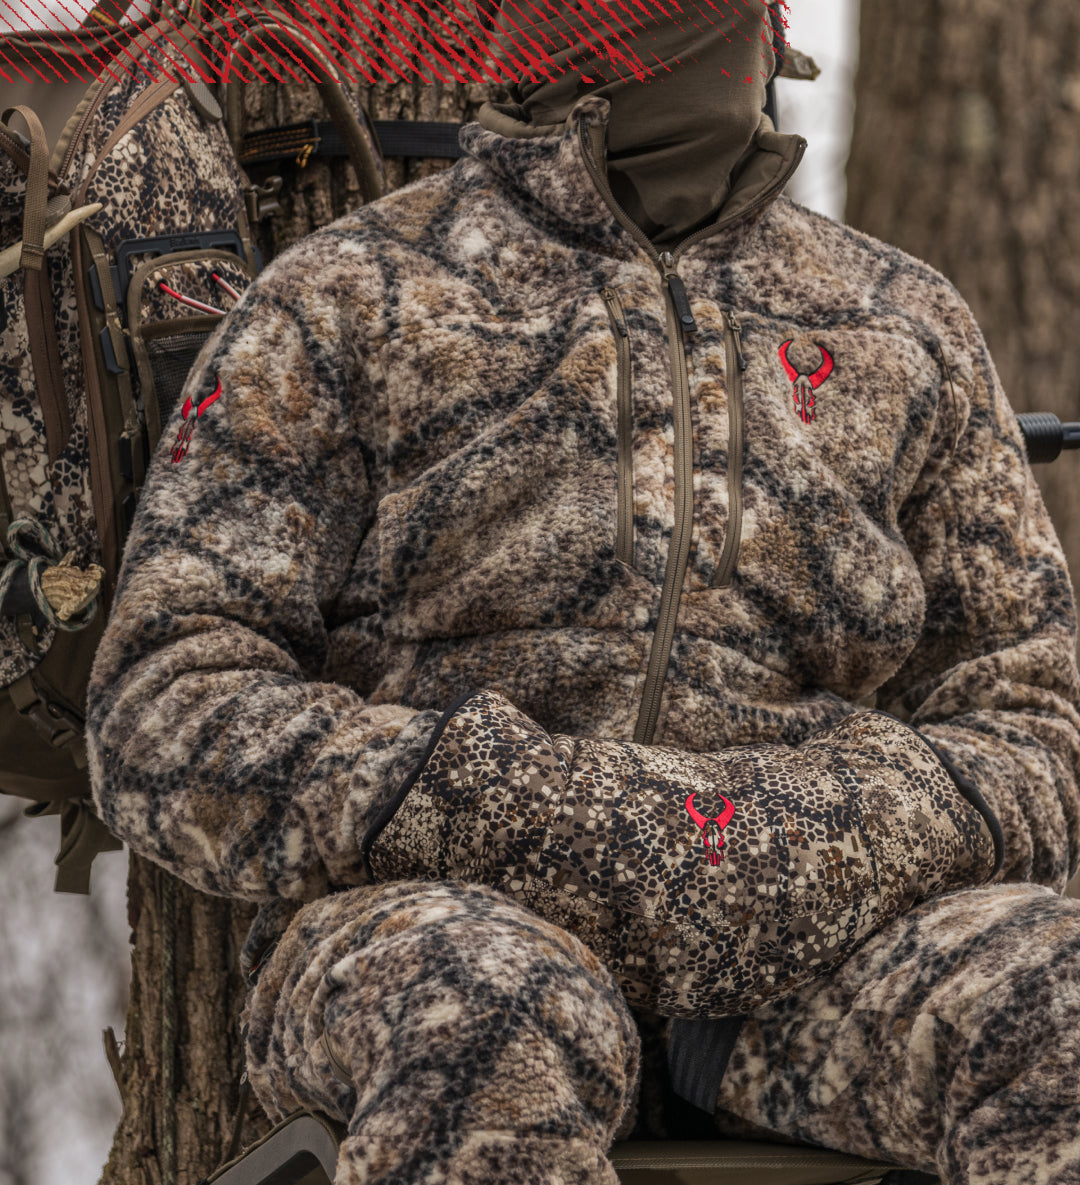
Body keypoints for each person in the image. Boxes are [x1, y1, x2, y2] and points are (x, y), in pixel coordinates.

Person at [86, 2, 1080, 1182]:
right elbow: (162, 705)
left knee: (1062, 1006)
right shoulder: (351, 295)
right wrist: (508, 803)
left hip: (814, 965)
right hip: (431, 928)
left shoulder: (897, 322)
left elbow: (1032, 723)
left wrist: (822, 837)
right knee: (495, 1022)